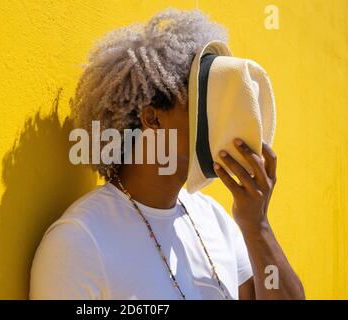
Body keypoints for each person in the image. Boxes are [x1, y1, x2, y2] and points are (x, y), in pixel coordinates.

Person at [29, 8, 304, 300]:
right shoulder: (81, 241)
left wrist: (257, 224)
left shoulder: (215, 219)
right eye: (204, 104)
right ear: (153, 119)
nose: (223, 119)